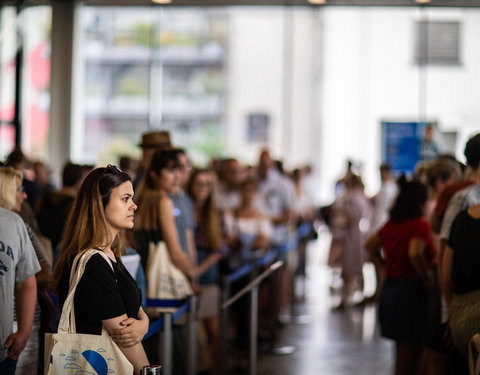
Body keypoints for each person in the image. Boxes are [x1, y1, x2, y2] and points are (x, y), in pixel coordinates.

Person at [52, 165, 149, 375]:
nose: (134, 206)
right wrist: (148, 371)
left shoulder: (109, 254)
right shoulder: (93, 262)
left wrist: (144, 322)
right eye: (125, 199)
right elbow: (122, 334)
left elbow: (129, 306)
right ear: (99, 204)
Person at [134, 149, 196, 369]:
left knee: (149, 351)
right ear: (155, 174)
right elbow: (175, 251)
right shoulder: (163, 202)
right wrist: (192, 275)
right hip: (163, 284)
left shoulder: (141, 200)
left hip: (142, 279)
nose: (177, 176)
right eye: (171, 171)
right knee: (175, 349)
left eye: (178, 170)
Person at [366, 180, 436, 375]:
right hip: (411, 292)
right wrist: (425, 277)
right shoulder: (419, 226)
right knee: (411, 359)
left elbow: (370, 245)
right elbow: (415, 252)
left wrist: (384, 265)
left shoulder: (391, 224)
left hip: (391, 288)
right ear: (420, 202)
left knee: (402, 354)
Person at [0, 167, 51, 375]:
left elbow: (28, 281)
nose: (24, 194)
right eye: (19, 189)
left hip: (4, 347)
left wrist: (24, 331)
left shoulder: (14, 224)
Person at [186, 168, 224, 374]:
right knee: (195, 333)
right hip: (188, 274)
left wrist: (196, 272)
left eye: (207, 184)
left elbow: (220, 249)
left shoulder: (216, 213)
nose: (203, 189)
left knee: (213, 331)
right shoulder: (183, 209)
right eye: (199, 183)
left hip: (207, 275)